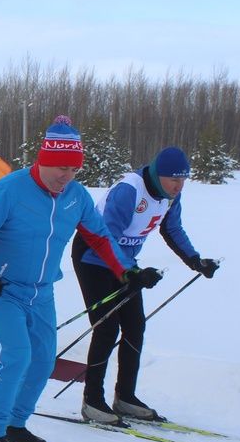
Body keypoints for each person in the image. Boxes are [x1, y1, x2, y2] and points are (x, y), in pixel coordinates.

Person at [0, 116, 158, 442]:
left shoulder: (76, 197)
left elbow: (99, 236)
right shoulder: (11, 189)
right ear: (43, 161)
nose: (67, 176)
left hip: (42, 292)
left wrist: (127, 273)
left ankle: (16, 424)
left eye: (74, 169)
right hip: (2, 289)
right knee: (17, 355)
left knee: (43, 360)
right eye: (61, 168)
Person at [71, 146, 218, 423]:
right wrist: (131, 272)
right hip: (93, 257)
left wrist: (196, 261)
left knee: (135, 326)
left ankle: (125, 397)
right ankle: (92, 401)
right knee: (107, 327)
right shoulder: (130, 190)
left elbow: (172, 229)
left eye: (183, 180)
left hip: (124, 262)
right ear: (157, 174)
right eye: (174, 179)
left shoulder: (171, 197)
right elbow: (105, 236)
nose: (178, 185)